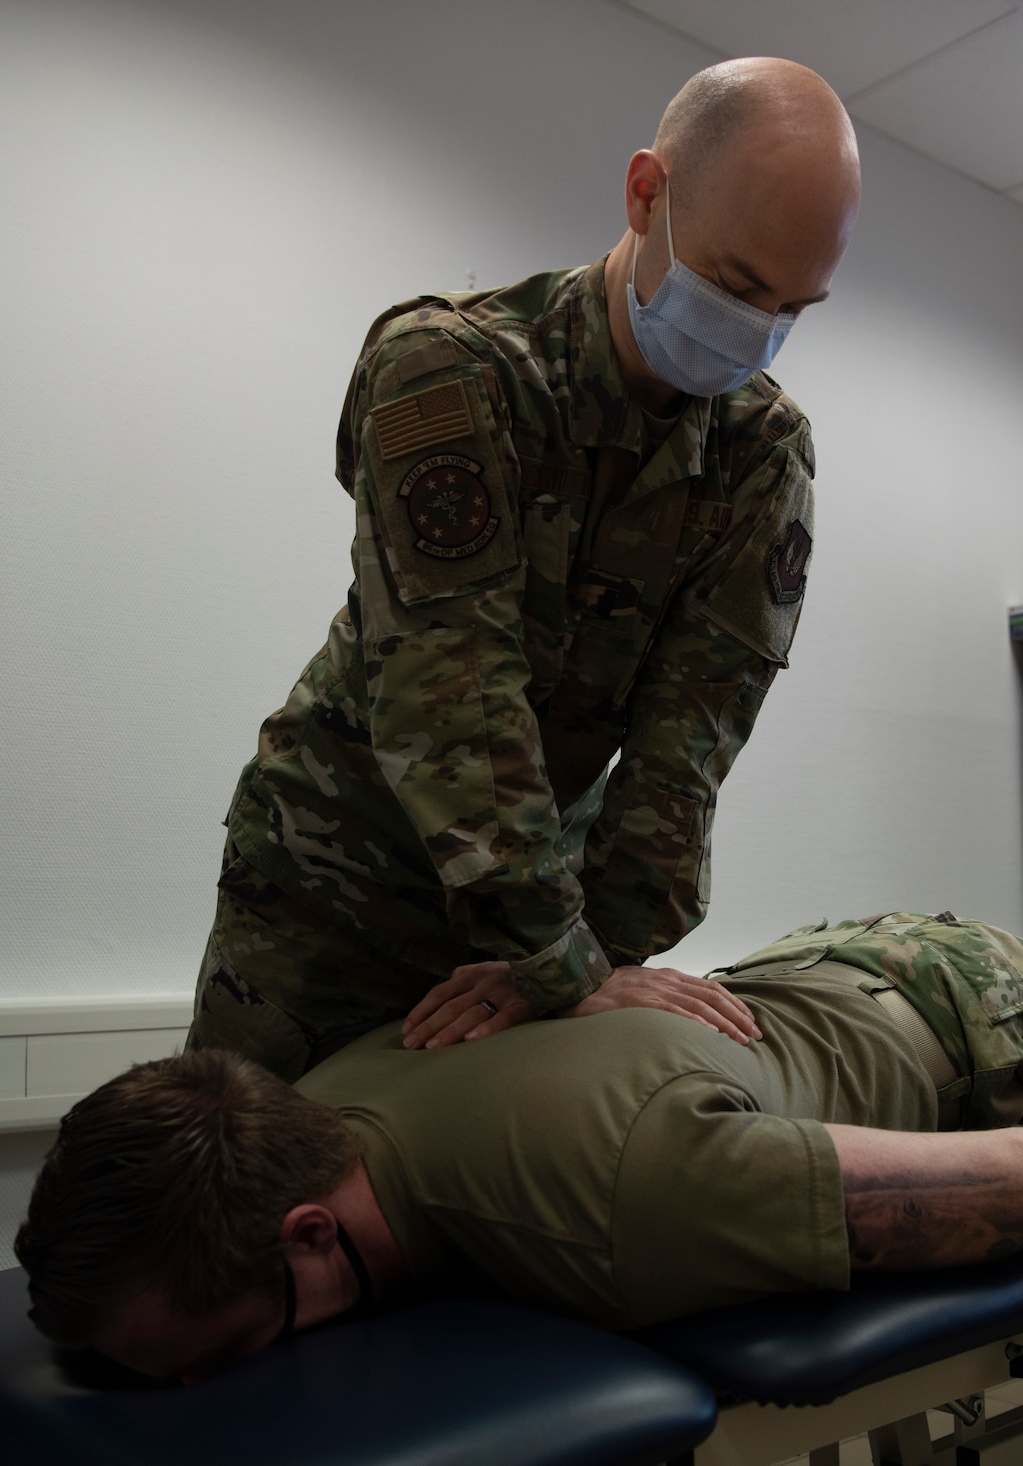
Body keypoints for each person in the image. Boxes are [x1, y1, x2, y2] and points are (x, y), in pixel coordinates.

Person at [189, 57, 862, 1080]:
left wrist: (592, 956)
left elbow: (687, 750)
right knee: (237, 1184)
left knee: (462, 1211)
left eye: (792, 310)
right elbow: (447, 689)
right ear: (646, 193)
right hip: (331, 886)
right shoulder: (453, 367)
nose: (755, 332)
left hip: (543, 914)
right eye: (733, 284)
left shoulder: (761, 453)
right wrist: (560, 957)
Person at [17, 912, 1023, 1381]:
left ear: (307, 1236)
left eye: (229, 1349)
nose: (228, 1385)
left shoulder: (622, 1205)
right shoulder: (324, 1082)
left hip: (983, 1031)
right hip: (814, 976)